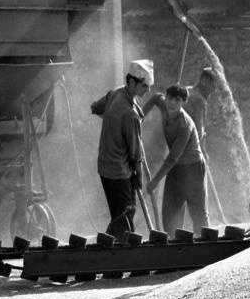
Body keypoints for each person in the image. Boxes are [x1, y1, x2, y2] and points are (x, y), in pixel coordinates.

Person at [90, 59, 154, 241]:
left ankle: (110, 244)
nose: (148, 90)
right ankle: (119, 248)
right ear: (132, 82)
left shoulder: (115, 93)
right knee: (125, 215)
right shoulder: (130, 114)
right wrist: (139, 178)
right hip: (119, 171)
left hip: (105, 167)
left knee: (119, 214)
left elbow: (95, 107)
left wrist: (111, 122)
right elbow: (135, 154)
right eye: (144, 85)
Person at [143, 84, 209, 236]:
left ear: (183, 102)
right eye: (170, 98)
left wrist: (154, 182)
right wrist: (139, 118)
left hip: (192, 168)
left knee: (198, 213)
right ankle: (175, 241)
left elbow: (173, 157)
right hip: (176, 169)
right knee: (169, 212)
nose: (172, 103)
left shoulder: (184, 125)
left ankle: (205, 241)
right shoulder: (164, 105)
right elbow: (155, 98)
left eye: (177, 100)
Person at [184, 67, 221, 148]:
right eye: (213, 85)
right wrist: (202, 150)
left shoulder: (186, 90)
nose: (214, 90)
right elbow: (199, 132)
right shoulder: (199, 101)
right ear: (204, 81)